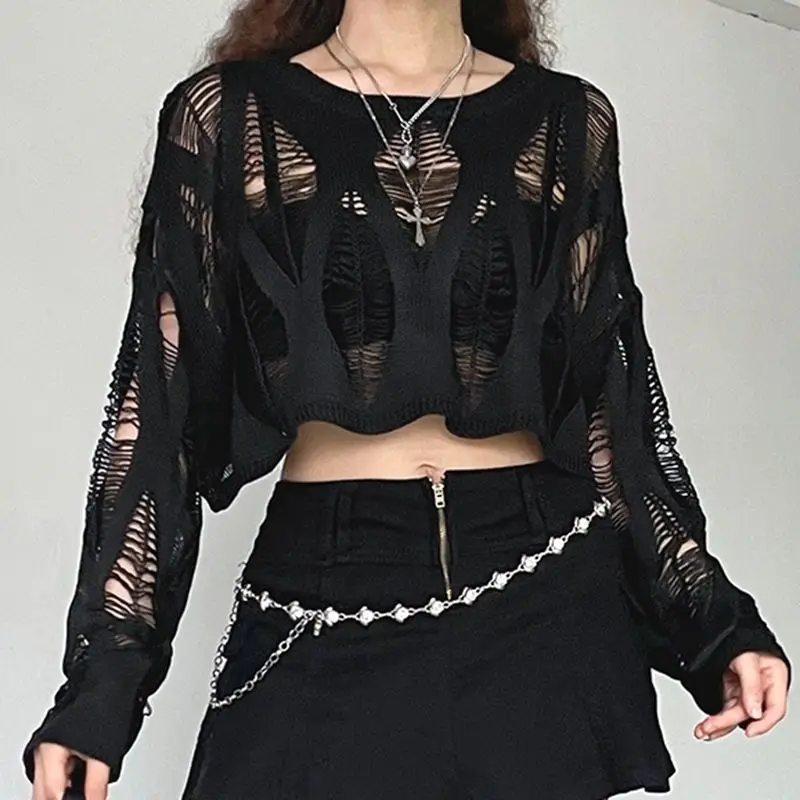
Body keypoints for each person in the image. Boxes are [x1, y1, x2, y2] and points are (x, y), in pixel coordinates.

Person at [24, 1, 791, 798]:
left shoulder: (566, 120)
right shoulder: (233, 115)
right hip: (327, 587)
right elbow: (160, 418)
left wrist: (717, 624)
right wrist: (100, 691)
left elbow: (613, 411)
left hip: (542, 591)